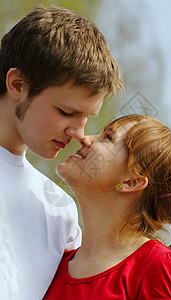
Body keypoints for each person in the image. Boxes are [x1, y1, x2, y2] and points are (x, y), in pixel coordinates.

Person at [0, 5, 123, 300]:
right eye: (66, 111)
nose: (79, 134)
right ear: (18, 84)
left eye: (87, 118)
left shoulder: (61, 211)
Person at [44, 114, 171, 299]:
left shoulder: (158, 268)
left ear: (132, 182)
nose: (85, 138)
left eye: (107, 137)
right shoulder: (53, 263)